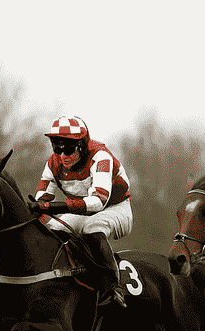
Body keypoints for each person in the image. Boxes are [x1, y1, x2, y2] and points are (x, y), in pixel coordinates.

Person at [28, 115, 132, 308]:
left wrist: (50, 208)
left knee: (93, 226)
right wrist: (40, 215)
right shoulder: (53, 163)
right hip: (82, 212)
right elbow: (41, 202)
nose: (62, 155)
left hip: (116, 208)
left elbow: (97, 202)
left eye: (68, 148)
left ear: (82, 145)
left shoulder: (101, 156)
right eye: (57, 148)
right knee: (52, 229)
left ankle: (113, 287)